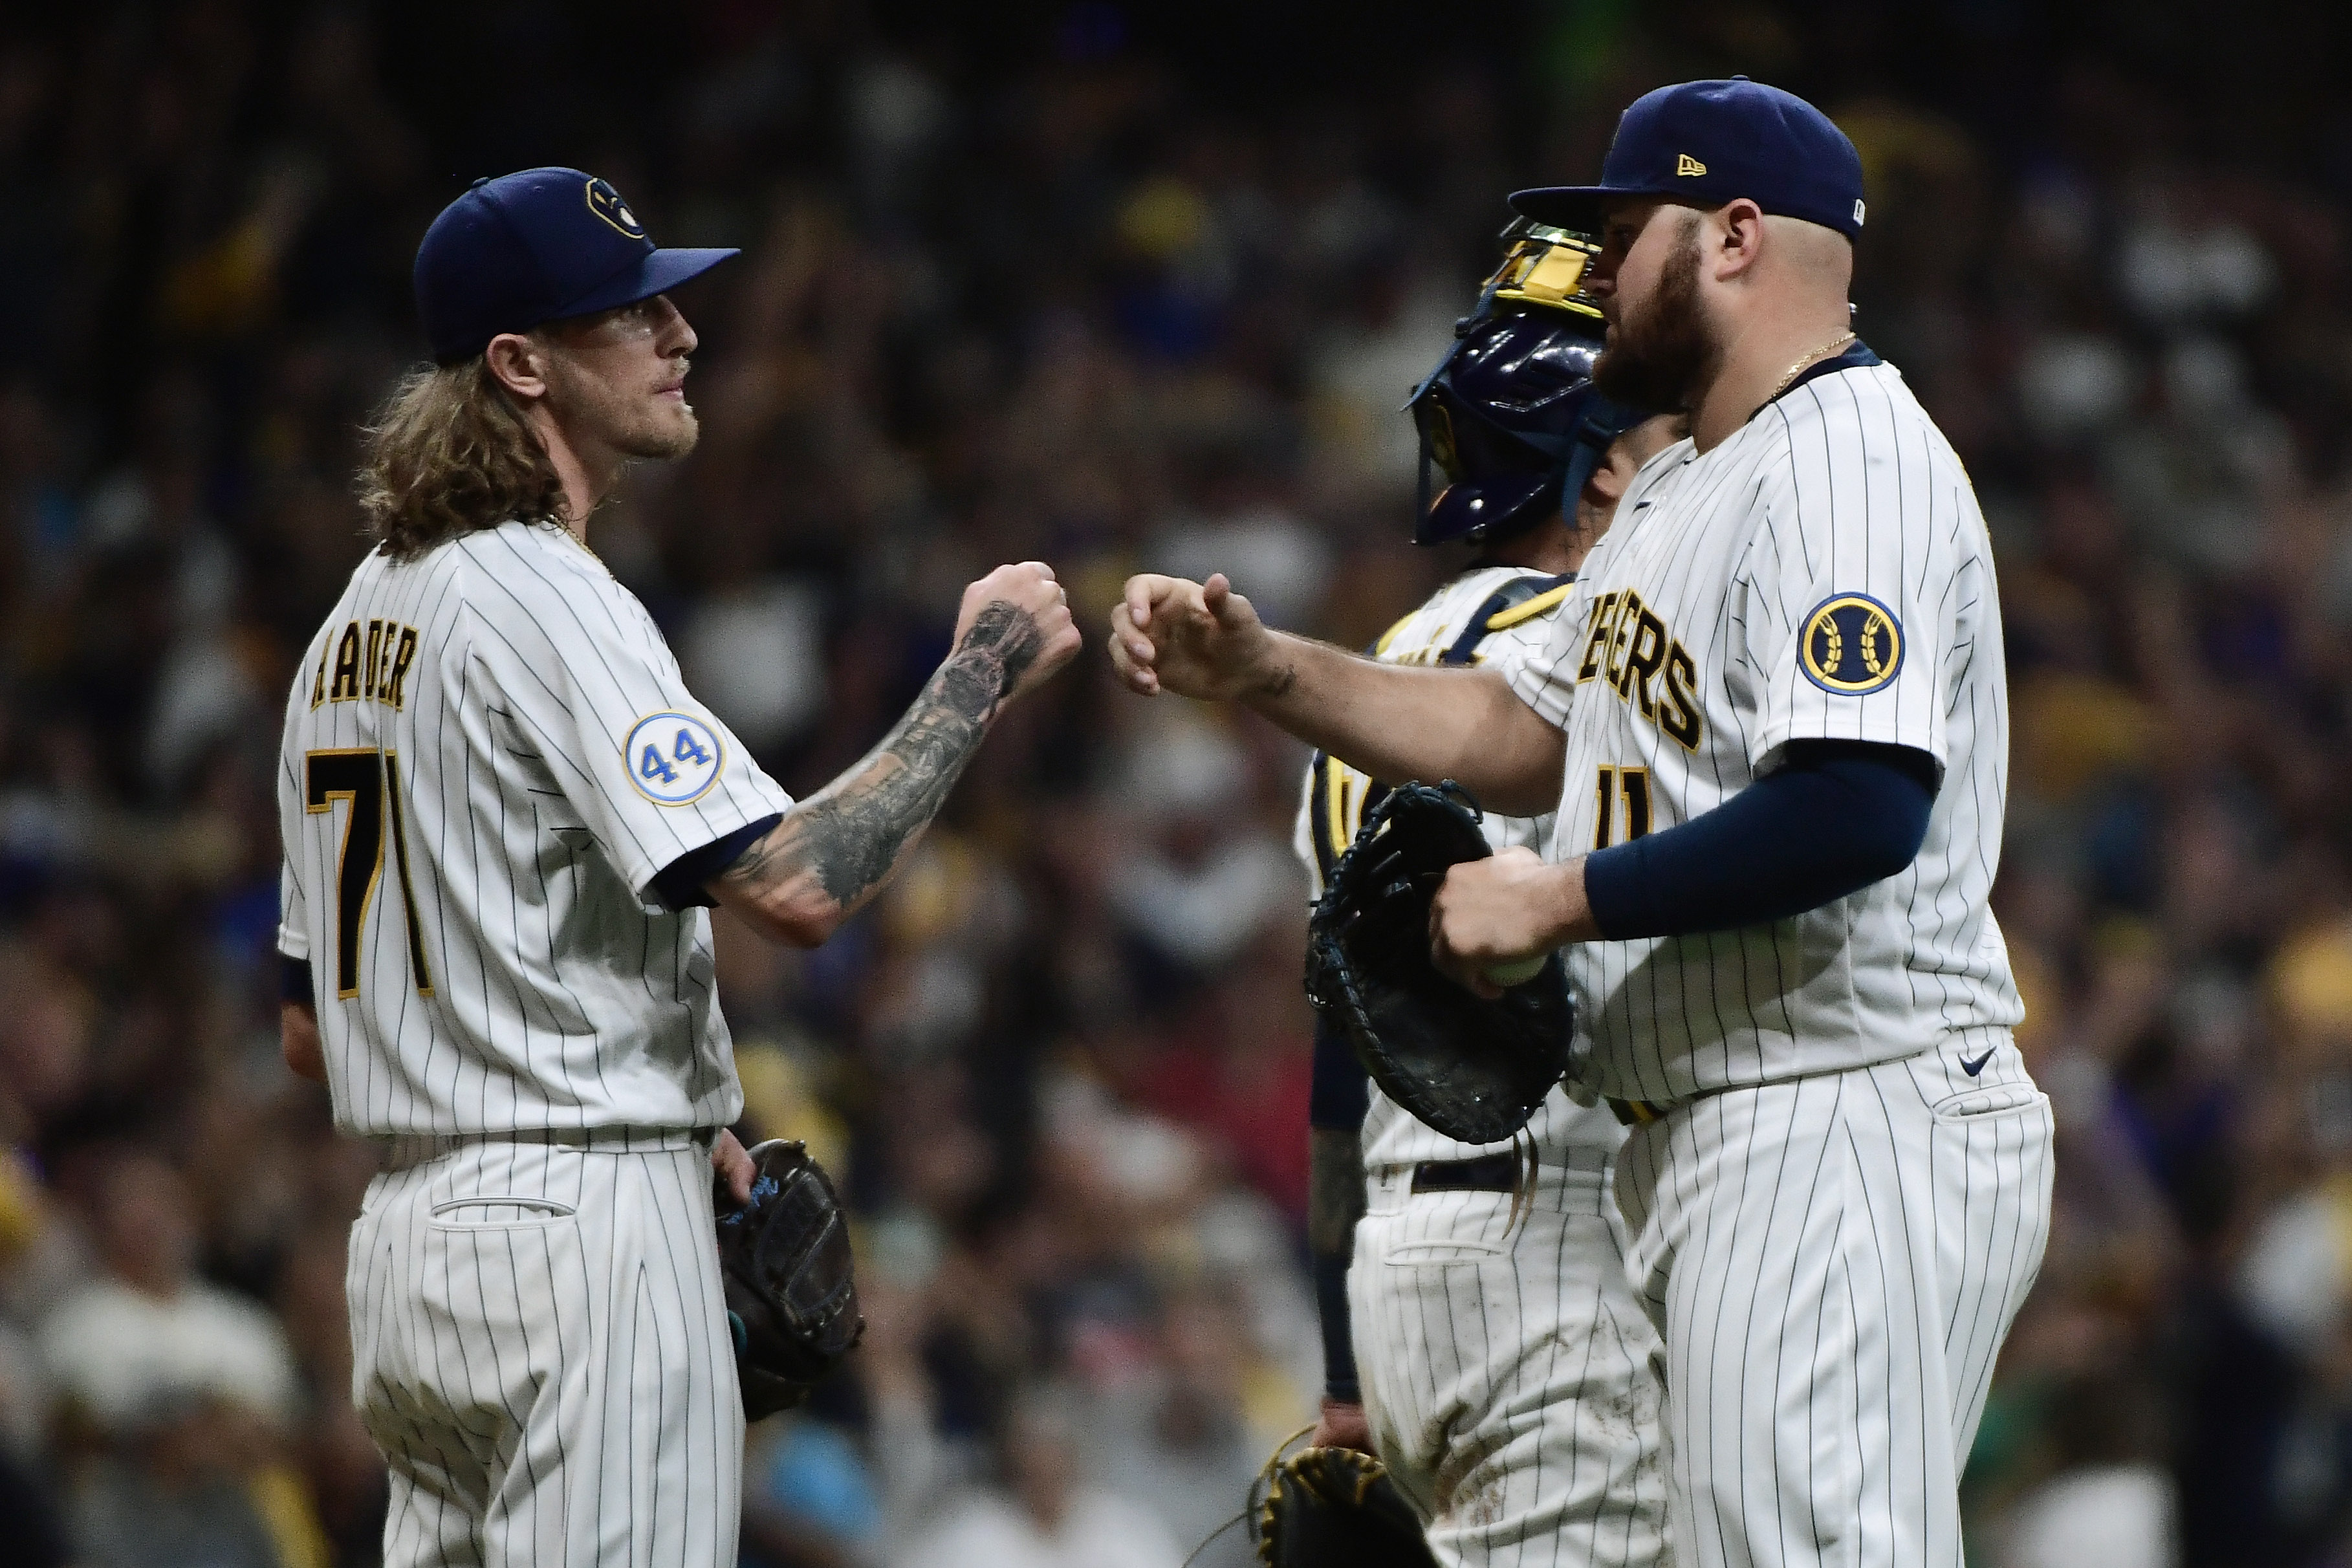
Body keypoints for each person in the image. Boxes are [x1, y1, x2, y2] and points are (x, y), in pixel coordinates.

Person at [1109, 79, 2054, 1568]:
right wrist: (1268, 671)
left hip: (1840, 1106)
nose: (1599, 270)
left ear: (1737, 237)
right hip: (1724, 1128)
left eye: (1628, 231)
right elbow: (1513, 726)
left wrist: (1560, 902)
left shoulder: (1849, 461)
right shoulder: (1683, 483)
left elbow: (1861, 808)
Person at [274, 167, 1078, 1568]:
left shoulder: (351, 628)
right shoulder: (545, 589)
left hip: (409, 1256)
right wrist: (981, 673)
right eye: (629, 313)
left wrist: (608, 1081)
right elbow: (799, 885)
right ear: (521, 366)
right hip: (579, 1240)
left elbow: (307, 1031)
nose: (682, 334)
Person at [1292, 221, 1680, 1567]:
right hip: (1551, 1244)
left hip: (1408, 1259)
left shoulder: (1384, 673)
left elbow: (1340, 1060)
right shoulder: (1598, 650)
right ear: (1598, 462)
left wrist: (1344, 1366)